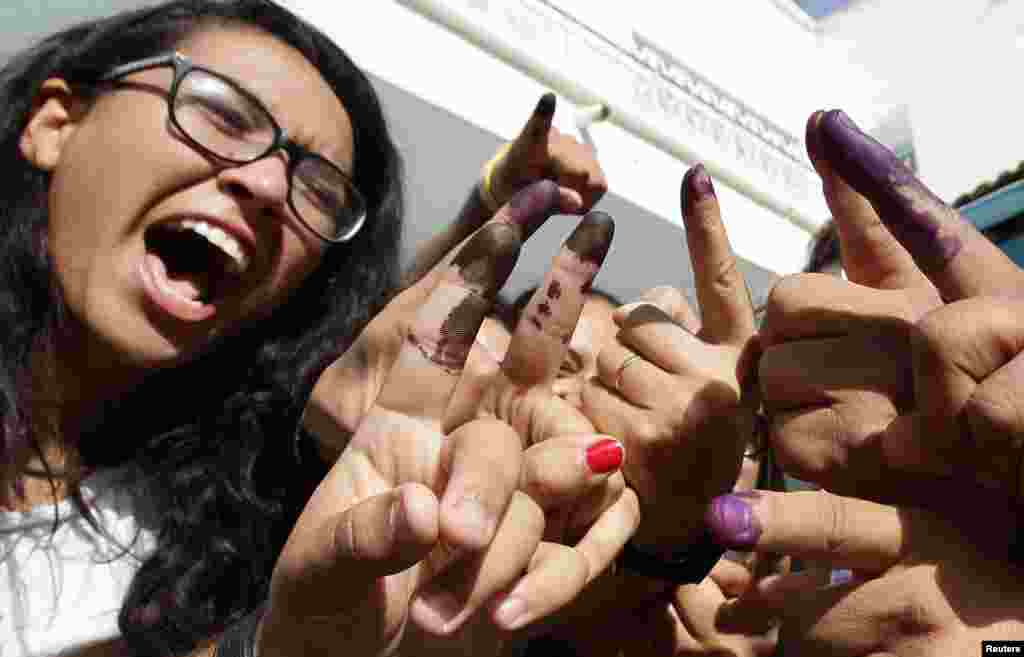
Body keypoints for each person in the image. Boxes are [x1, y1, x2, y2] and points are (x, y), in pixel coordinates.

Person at [0, 2, 615, 656]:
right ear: (54, 123)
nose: (267, 183)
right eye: (221, 114)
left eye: (319, 190)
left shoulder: (229, 536)